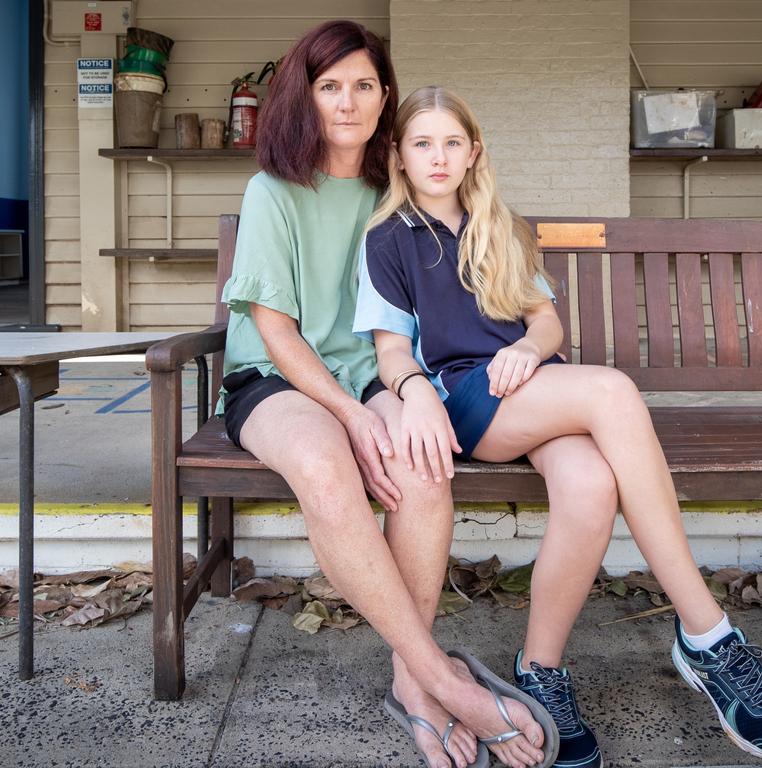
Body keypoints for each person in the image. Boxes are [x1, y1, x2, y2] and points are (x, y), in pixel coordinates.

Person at [354, 86, 762, 767]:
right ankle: (707, 635)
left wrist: (525, 348)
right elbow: (392, 349)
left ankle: (540, 669)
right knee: (611, 390)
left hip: (535, 387)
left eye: (452, 142)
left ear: (473, 151)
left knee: (591, 481)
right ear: (397, 153)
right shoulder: (388, 239)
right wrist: (415, 390)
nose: (438, 156)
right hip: (464, 399)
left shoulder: (502, 227)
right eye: (422, 142)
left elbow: (546, 323)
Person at [219, 22, 557, 768]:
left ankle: (409, 683)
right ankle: (441, 675)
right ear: (304, 97)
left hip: (371, 372)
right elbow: (274, 330)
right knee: (325, 465)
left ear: (385, 96)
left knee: (423, 462)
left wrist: (398, 398)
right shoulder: (273, 188)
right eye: (330, 86)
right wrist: (347, 417)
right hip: (277, 381)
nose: (348, 102)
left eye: (364, 86)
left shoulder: (394, 187)